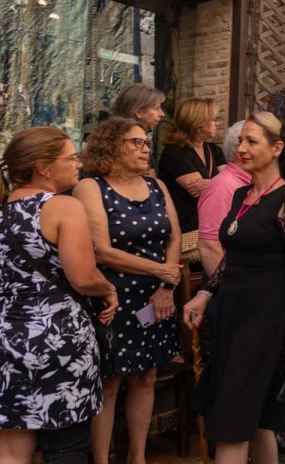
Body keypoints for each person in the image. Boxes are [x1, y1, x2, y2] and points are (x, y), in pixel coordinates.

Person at [183, 92, 285, 464]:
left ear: (277, 147)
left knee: (232, 421)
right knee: (260, 419)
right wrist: (204, 295)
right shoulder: (240, 196)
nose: (241, 148)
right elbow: (233, 260)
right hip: (233, 317)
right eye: (241, 140)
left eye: (252, 141)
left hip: (265, 323)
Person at [0, 127, 118, 464]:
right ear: (44, 168)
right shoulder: (64, 207)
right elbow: (82, 277)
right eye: (71, 157)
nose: (78, 163)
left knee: (11, 447)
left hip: (8, 344)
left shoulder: (4, 212)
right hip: (58, 342)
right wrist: (108, 289)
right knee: (66, 445)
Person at [74, 118, 183, 464]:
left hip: (156, 298)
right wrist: (159, 270)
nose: (144, 147)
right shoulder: (91, 187)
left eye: (146, 142)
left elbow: (175, 237)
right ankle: (102, 459)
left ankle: (138, 457)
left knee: (146, 377)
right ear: (111, 147)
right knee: (109, 382)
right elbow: (101, 249)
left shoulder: (156, 185)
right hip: (113, 295)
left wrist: (166, 286)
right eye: (135, 142)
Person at [158, 97, 226, 246]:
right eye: (214, 120)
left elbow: (231, 185)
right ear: (199, 123)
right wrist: (223, 185)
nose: (218, 124)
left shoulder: (213, 150)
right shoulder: (176, 152)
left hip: (212, 224)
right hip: (187, 229)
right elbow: (197, 191)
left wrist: (214, 185)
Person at [197, 121, 251, 277]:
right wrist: (228, 290)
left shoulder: (253, 183)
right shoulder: (223, 186)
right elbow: (210, 246)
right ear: (240, 149)